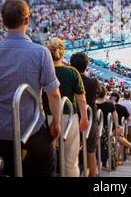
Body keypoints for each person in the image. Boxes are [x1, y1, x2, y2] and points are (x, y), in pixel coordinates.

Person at [0, 0, 61, 177]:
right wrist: (56, 123)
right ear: (26, 20)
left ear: (3, 22)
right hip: (32, 127)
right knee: (46, 171)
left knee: (6, 171)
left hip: (0, 129)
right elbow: (53, 94)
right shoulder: (41, 52)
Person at [42, 38, 89, 177]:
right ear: (62, 53)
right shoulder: (72, 72)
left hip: (48, 118)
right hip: (69, 118)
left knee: (48, 161)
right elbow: (81, 99)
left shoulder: (43, 71)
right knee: (70, 161)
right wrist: (84, 118)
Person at [70, 52, 99, 177]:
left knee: (72, 151)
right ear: (86, 65)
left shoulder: (69, 80)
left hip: (74, 118)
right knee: (91, 151)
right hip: (90, 119)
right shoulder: (93, 82)